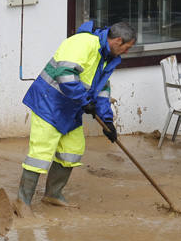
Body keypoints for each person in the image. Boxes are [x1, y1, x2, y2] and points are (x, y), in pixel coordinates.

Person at [17, 20, 137, 210]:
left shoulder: (107, 56)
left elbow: (102, 89)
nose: (127, 52)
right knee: (40, 154)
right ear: (118, 41)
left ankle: (53, 194)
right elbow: (65, 74)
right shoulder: (83, 43)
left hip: (71, 108)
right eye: (127, 47)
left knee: (72, 151)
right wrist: (84, 101)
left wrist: (107, 121)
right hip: (49, 103)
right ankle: (22, 203)